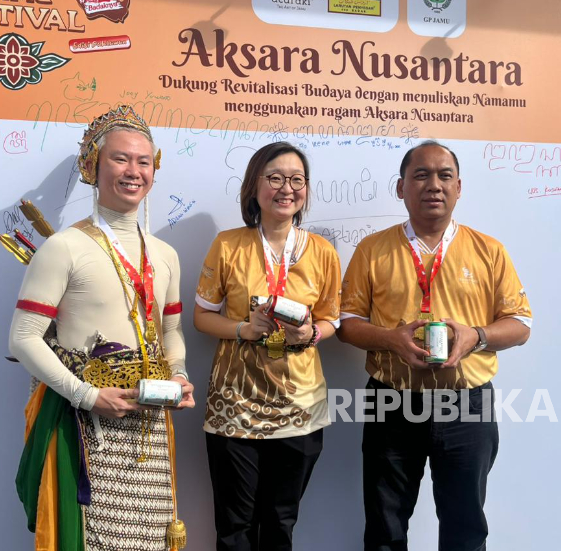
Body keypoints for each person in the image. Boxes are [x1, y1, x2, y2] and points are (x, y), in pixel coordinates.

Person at [8, 106, 194, 551]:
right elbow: (22, 337)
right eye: (120, 159)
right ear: (93, 164)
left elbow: (170, 333)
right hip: (87, 420)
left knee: (151, 541)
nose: (134, 171)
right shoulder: (63, 247)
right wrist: (88, 395)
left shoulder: (166, 254)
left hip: (149, 426)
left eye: (143, 161)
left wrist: (181, 377)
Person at [337, 141, 533, 551]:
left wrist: (476, 336)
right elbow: (346, 324)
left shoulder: (489, 250)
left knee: (465, 526)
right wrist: (392, 339)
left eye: (445, 176)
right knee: (385, 525)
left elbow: (520, 324)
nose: (434, 185)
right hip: (391, 401)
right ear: (400, 187)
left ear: (459, 188)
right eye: (421, 175)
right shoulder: (372, 250)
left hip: (467, 405)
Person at [193, 142, 341, 551]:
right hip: (235, 406)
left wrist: (310, 334)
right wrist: (243, 329)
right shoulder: (228, 244)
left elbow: (333, 319)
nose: (286, 188)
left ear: (306, 190)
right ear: (254, 187)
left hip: (300, 406)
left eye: (296, 180)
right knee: (235, 526)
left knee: (280, 522)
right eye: (274, 178)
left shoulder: (323, 252)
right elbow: (201, 317)